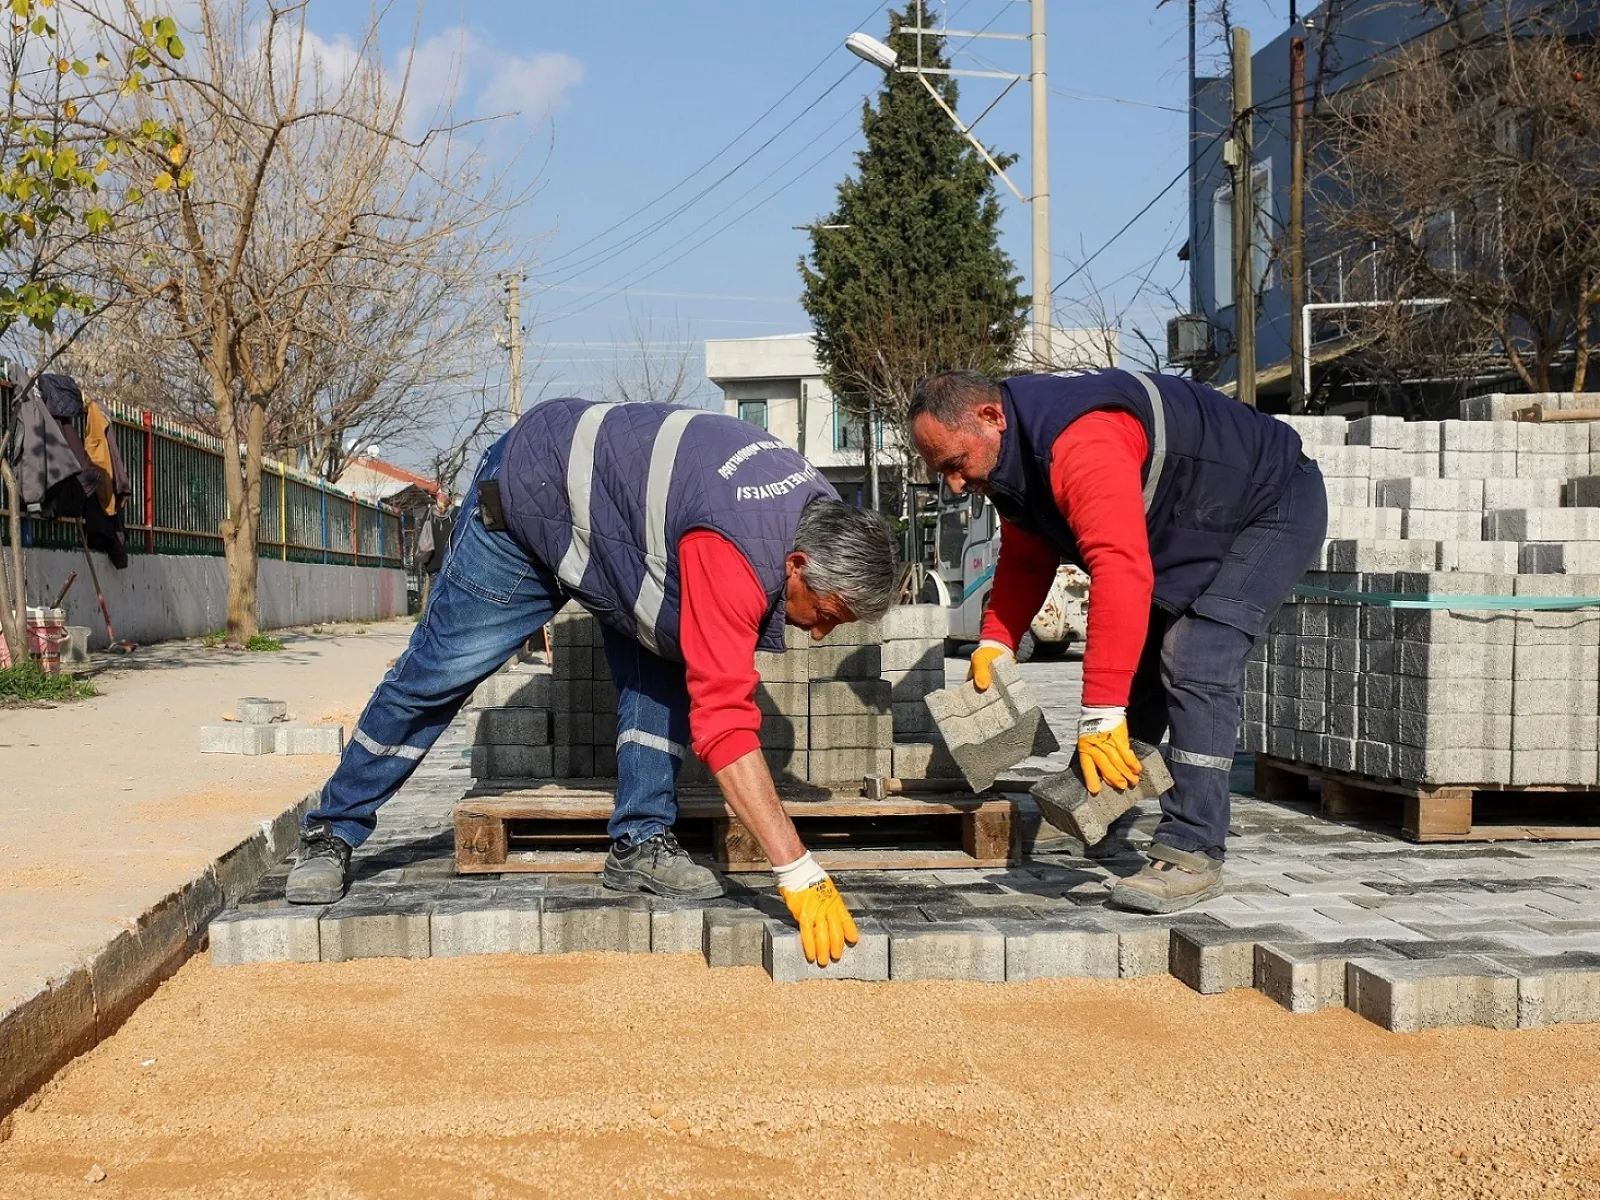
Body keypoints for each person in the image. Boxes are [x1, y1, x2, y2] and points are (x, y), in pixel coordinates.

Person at [286, 397, 898, 967]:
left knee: (670, 651)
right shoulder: (733, 550)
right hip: (533, 497)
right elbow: (725, 724)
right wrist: (795, 868)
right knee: (441, 670)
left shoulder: (819, 512)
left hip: (624, 534)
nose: (818, 634)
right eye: (828, 615)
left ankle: (640, 842)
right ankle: (330, 830)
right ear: (797, 565)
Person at [908, 369, 1326, 913]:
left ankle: (1192, 848)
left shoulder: (1082, 438)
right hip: (1198, 516)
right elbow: (1028, 556)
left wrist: (1101, 714)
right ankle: (1097, 799)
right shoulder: (1015, 462)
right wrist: (996, 641)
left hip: (1271, 505)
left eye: (954, 464)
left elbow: (1120, 568)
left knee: (1197, 656)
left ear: (991, 418)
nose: (955, 484)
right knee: (1147, 650)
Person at [414, 489, 454, 611]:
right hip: (444, 562)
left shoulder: (430, 513)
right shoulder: (454, 514)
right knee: (445, 596)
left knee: (438, 596)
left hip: (439, 562)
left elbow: (420, 537)